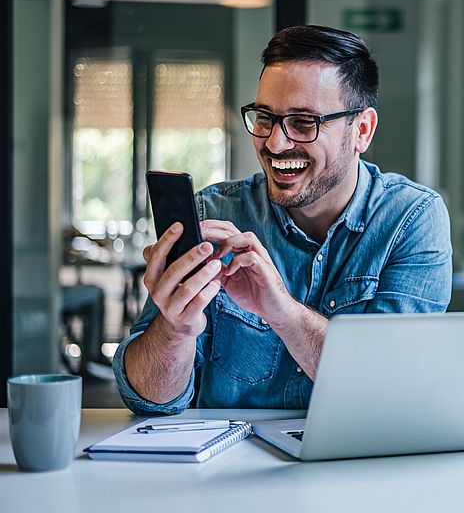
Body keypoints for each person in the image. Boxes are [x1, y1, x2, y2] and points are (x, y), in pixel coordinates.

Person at [113, 25, 452, 414]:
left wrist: (283, 312)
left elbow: (396, 391)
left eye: (304, 122)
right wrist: (175, 329)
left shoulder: (410, 221)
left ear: (362, 130)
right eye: (264, 117)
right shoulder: (214, 215)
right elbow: (148, 400)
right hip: (230, 469)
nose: (275, 143)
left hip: (361, 470)